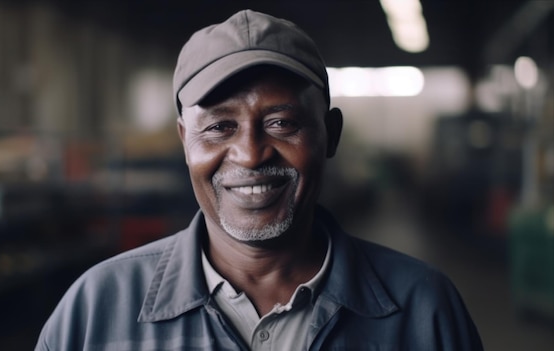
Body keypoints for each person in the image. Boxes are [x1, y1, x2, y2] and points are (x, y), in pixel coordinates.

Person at [36, 9, 483, 350]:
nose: (250, 154)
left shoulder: (424, 312)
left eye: (281, 123)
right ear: (184, 142)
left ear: (330, 134)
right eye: (218, 127)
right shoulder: (95, 313)